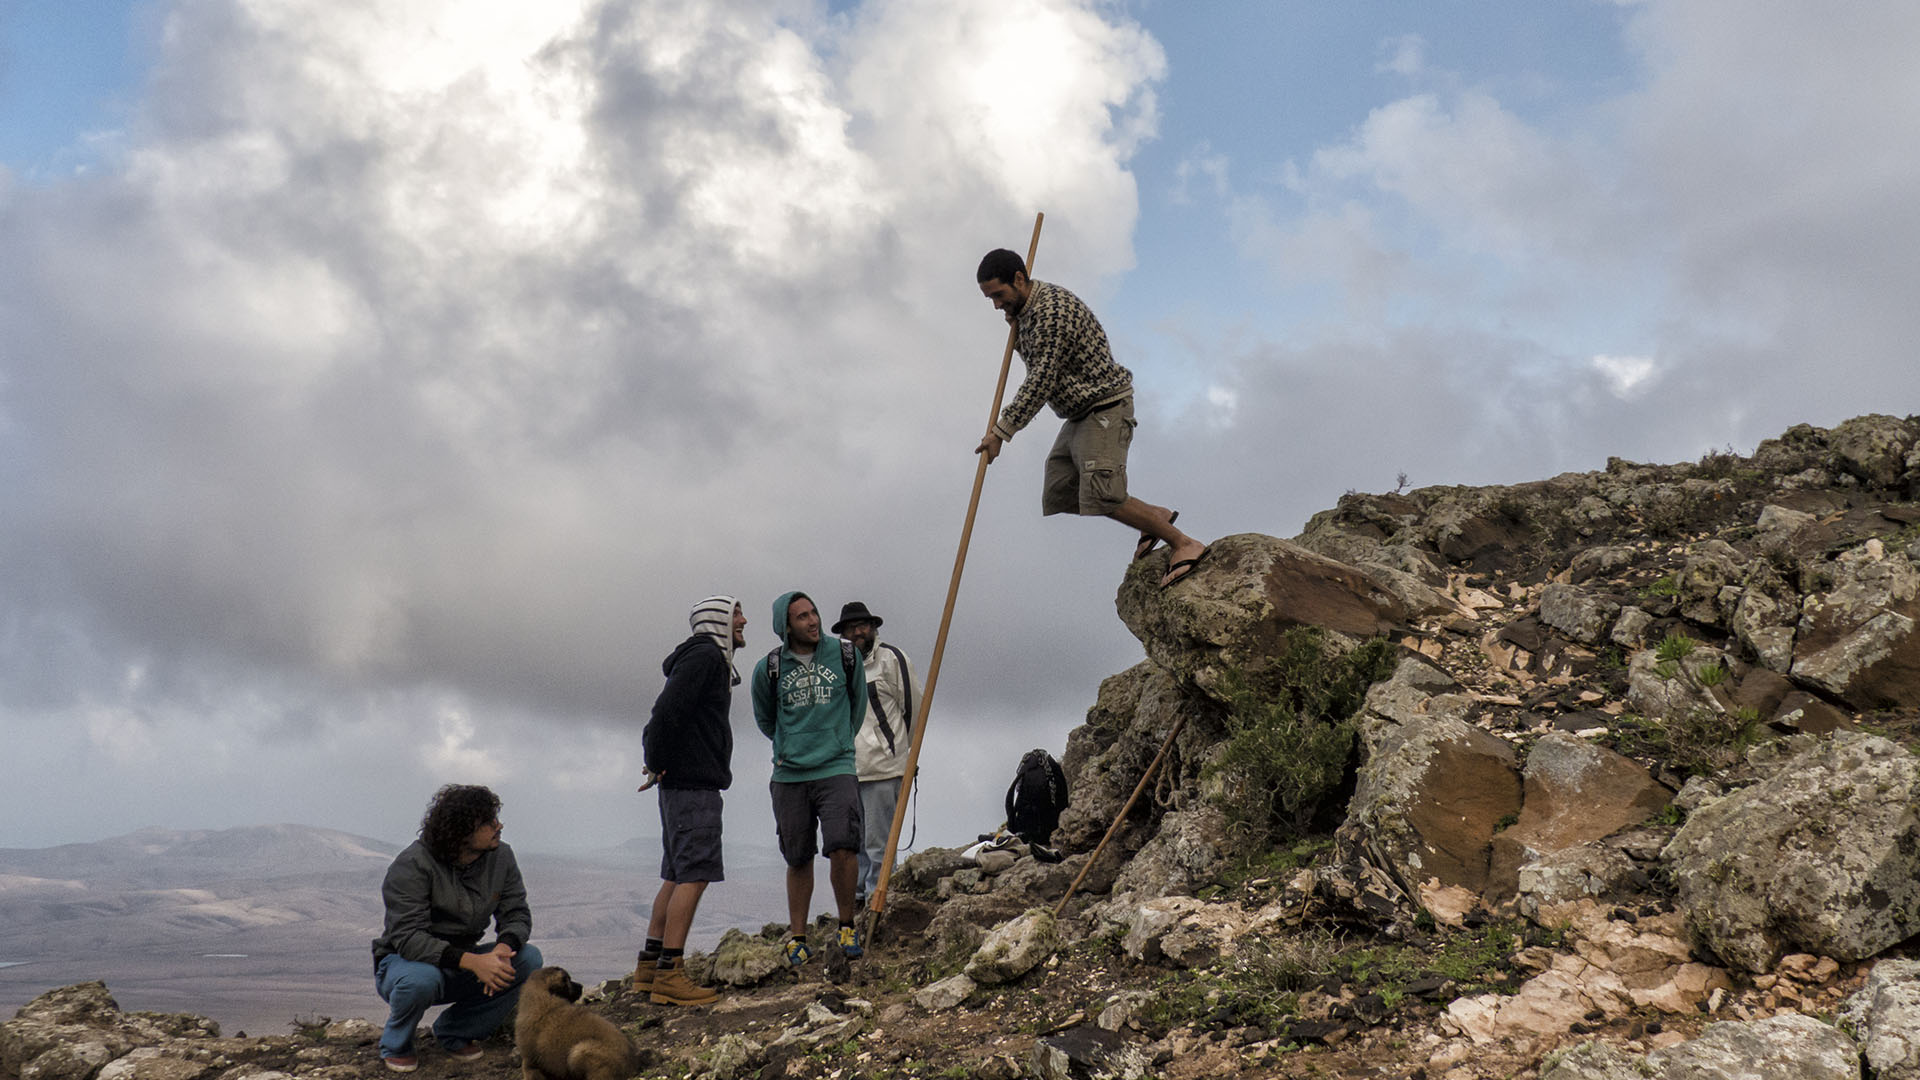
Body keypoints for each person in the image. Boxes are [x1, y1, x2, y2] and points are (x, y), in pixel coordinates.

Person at [974, 248, 1209, 589]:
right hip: (1078, 413)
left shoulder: (1052, 311)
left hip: (1104, 407)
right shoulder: (1027, 312)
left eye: (999, 294)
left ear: (1020, 279)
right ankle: (1153, 517)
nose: (996, 304)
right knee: (1060, 491)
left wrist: (1001, 431)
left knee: (1102, 494)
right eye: (990, 298)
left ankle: (1184, 543)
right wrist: (1017, 320)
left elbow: (1041, 379)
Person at [370, 784, 540, 1072]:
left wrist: (501, 950)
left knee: (528, 959)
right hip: (406, 964)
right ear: (461, 832)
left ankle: (455, 1031)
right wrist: (473, 962)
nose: (499, 826)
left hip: (461, 961)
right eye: (487, 822)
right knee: (420, 980)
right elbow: (409, 938)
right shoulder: (412, 866)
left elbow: (516, 913)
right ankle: (396, 1044)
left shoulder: (500, 857)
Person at [633, 594, 746, 1007]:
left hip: (681, 784)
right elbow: (665, 713)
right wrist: (656, 759)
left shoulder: (700, 659)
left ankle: (649, 969)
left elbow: (668, 714)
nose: (743, 621)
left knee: (676, 873)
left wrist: (659, 764)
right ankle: (670, 974)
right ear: (717, 619)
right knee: (693, 874)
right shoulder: (706, 659)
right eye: (736, 613)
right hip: (694, 785)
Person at [752, 591, 868, 964]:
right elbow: (766, 720)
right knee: (797, 856)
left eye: (814, 612)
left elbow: (857, 706)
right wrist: (793, 747)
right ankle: (798, 937)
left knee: (844, 847)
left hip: (836, 767)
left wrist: (838, 743)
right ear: (785, 626)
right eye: (802, 617)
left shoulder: (845, 655)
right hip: (789, 775)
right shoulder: (768, 668)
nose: (813, 621)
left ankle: (846, 926)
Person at [830, 600, 917, 904]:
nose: (857, 632)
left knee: (879, 845)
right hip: (848, 770)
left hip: (885, 767)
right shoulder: (836, 667)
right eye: (850, 628)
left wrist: (905, 755)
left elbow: (914, 709)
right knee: (855, 843)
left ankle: (878, 902)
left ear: (873, 627)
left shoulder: (892, 659)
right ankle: (857, 901)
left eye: (862, 625)